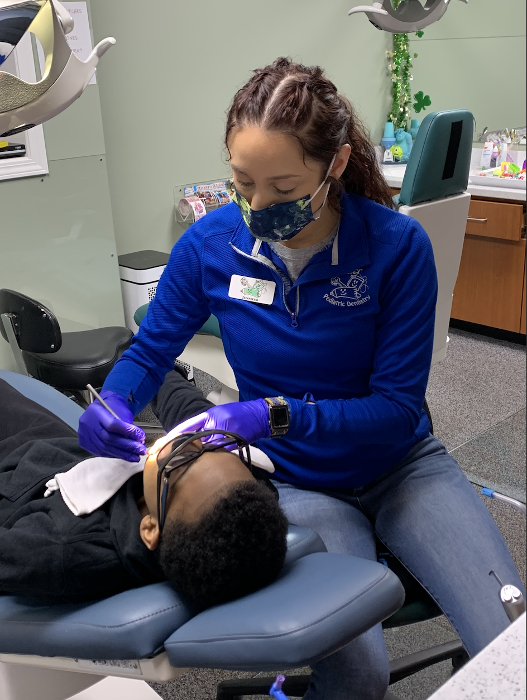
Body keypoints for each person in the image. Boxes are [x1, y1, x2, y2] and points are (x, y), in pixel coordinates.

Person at [78, 58, 525, 700]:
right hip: (300, 480)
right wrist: (113, 399)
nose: (258, 207)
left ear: (335, 165)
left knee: (511, 643)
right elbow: (150, 351)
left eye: (283, 190)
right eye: (242, 182)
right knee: (358, 676)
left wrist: (272, 416)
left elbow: (397, 411)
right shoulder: (211, 245)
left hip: (401, 466)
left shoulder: (395, 247)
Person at [0, 370, 288, 609]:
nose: (192, 442)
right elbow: (176, 394)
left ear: (150, 529)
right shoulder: (238, 493)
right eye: (213, 444)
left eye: (182, 459)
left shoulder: (59, 551)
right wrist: (132, 382)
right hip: (52, 446)